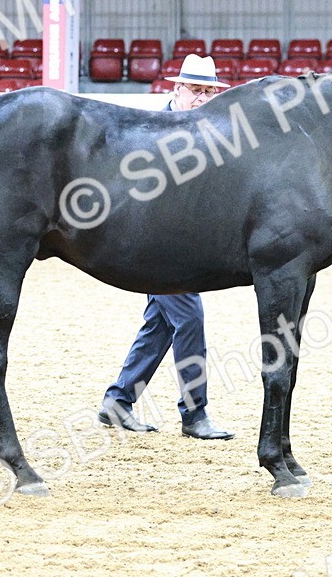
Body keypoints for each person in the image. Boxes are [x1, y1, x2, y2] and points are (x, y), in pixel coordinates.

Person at [98, 54, 236, 441]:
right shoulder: (151, 129)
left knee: (160, 324)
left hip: (182, 244)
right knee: (189, 319)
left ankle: (118, 401)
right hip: (154, 244)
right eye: (196, 90)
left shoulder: (209, 131)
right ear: (177, 89)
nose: (203, 98)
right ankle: (195, 413)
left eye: (209, 91)